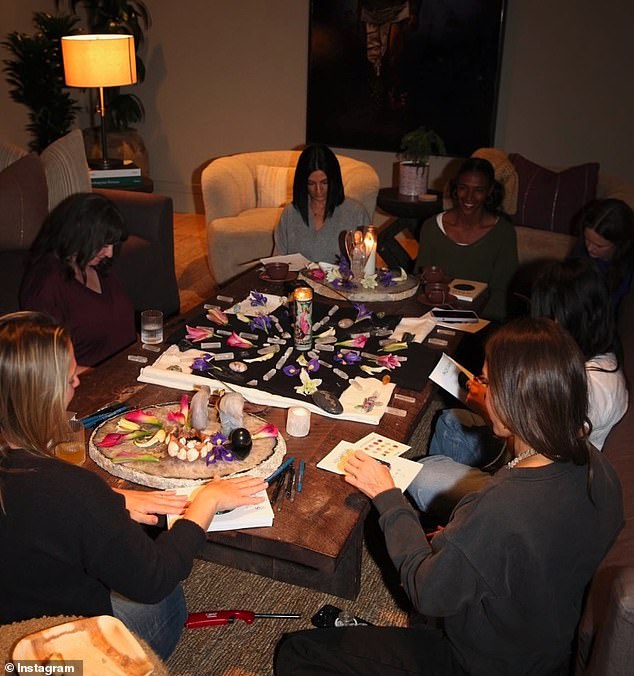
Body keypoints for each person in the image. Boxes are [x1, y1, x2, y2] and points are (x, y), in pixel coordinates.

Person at [276, 318, 623, 676]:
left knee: (299, 653)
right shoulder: (597, 466)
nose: (480, 389)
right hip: (544, 646)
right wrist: (461, 542)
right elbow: (523, 551)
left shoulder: (504, 504)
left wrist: (389, 497)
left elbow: (428, 593)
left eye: (487, 381)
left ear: (514, 397)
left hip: (481, 662)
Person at [0, 312, 266, 659]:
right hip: (64, 658)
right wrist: (206, 500)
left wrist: (112, 498)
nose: (78, 382)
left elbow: (36, 510)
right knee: (168, 599)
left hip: (10, 628)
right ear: (40, 397)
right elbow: (153, 580)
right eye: (69, 379)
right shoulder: (72, 491)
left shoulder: (45, 485)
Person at [410, 258, 629, 521]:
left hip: (538, 494)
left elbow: (533, 458)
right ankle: (456, 521)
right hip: (532, 460)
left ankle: (468, 527)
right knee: (450, 421)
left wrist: (487, 406)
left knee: (422, 473)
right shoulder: (593, 356)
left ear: (559, 320)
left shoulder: (588, 387)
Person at [20, 192, 137, 371]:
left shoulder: (97, 265)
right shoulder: (46, 283)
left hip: (130, 371)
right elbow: (48, 365)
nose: (110, 253)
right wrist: (106, 379)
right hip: (89, 387)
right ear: (79, 235)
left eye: (113, 245)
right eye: (104, 245)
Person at [415, 157, 518, 321]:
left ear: (490, 190)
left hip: (483, 322)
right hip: (435, 317)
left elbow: (502, 293)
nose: (469, 197)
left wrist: (473, 323)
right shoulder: (431, 227)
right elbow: (421, 284)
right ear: (456, 188)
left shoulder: (503, 233)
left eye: (479, 190)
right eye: (463, 188)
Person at [273, 144, 371, 264]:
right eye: (311, 183)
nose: (318, 190)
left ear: (334, 180)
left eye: (324, 183)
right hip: (296, 282)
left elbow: (365, 266)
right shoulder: (290, 213)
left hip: (341, 282)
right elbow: (277, 263)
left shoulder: (356, 213)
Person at [571, 197, 634, 312]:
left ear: (620, 245)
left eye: (599, 246)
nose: (589, 248)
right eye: (587, 239)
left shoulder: (627, 270)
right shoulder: (581, 251)